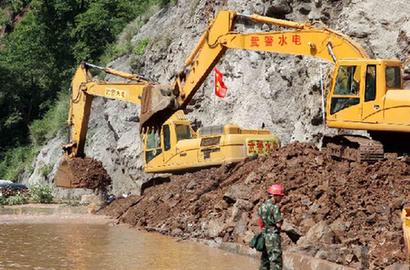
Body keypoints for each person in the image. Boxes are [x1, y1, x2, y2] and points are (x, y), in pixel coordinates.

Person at [258, 183, 285, 270]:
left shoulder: (262, 206)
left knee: (265, 260)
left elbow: (260, 222)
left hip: (264, 235)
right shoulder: (275, 207)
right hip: (273, 236)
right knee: (276, 260)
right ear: (275, 195)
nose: (281, 198)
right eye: (280, 196)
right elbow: (278, 224)